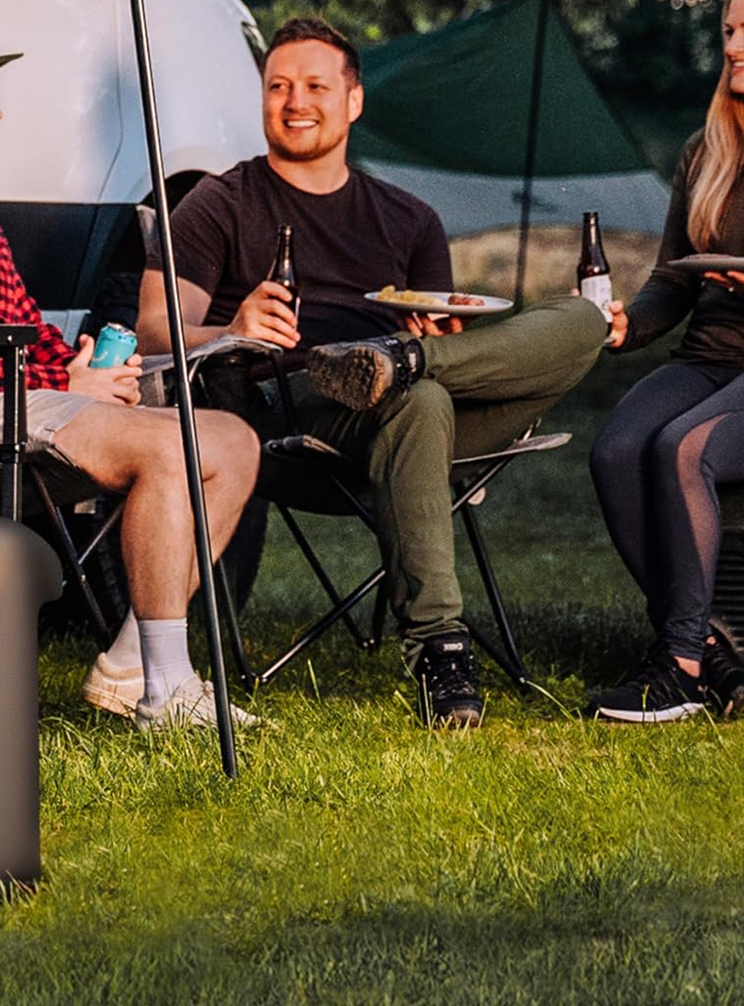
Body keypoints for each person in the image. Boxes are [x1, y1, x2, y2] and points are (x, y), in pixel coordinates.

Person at [136, 18, 609, 728]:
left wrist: (428, 339)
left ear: (354, 102)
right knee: (417, 403)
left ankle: (401, 359)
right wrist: (233, 328)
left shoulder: (409, 218)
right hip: (294, 412)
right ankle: (442, 650)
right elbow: (153, 330)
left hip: (418, 403)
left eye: (316, 86)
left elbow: (443, 311)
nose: (295, 101)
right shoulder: (221, 202)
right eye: (278, 86)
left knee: (584, 319)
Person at [0, 27, 263, 730]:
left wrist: (80, 367)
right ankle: (167, 686)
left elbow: (25, 326)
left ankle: (133, 661)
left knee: (232, 443)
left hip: (9, 403)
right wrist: (58, 381)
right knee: (164, 451)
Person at [586, 0, 744, 723]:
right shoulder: (705, 149)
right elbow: (673, 280)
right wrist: (628, 324)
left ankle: (678, 668)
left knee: (683, 450)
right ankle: (712, 650)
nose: (735, 46)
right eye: (730, 30)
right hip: (709, 356)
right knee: (618, 449)